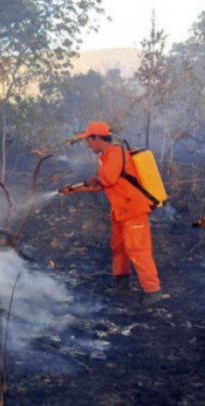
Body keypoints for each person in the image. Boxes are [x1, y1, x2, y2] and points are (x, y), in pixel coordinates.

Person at [61, 121, 163, 306]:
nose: (89, 145)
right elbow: (102, 185)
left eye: (89, 141)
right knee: (119, 248)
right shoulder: (106, 157)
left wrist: (93, 179)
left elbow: (106, 179)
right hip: (120, 210)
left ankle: (153, 291)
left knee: (138, 251)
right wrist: (76, 189)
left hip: (133, 210)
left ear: (97, 138)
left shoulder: (116, 154)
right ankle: (122, 285)